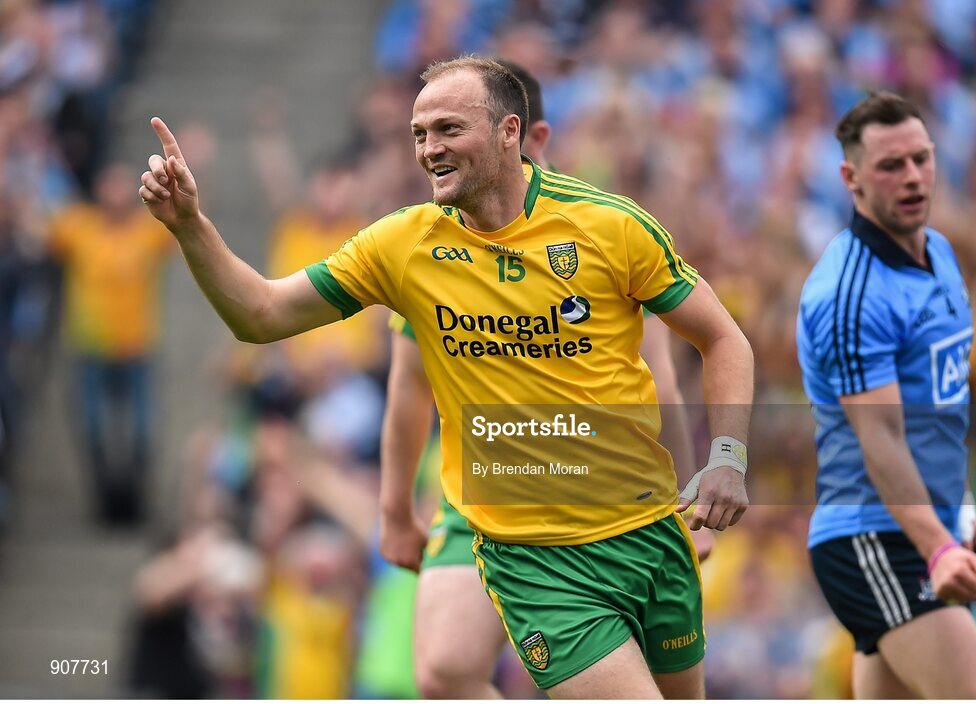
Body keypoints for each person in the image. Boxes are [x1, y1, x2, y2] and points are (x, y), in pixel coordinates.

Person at [139, 56, 753, 698]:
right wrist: (191, 228)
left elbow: (722, 339)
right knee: (445, 672)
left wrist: (726, 459)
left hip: (646, 535)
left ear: (511, 132)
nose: (429, 148)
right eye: (419, 133)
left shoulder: (609, 225)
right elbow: (261, 313)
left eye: (449, 129)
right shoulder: (403, 246)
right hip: (532, 557)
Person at [382, 59, 712, 698]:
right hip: (486, 492)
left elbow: (663, 378)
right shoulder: (430, 249)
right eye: (428, 134)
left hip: (611, 501)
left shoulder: (598, 234)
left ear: (528, 138)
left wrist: (686, 496)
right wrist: (396, 509)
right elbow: (407, 386)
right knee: (445, 670)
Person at [796, 91, 976, 699]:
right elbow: (880, 439)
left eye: (921, 158)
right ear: (851, 178)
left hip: (920, 532)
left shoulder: (939, 253)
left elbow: (937, 410)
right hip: (873, 537)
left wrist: (958, 514)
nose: (912, 177)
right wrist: (937, 545)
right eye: (891, 165)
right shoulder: (850, 292)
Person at [51, 162, 174, 524]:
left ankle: (135, 503)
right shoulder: (78, 225)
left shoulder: (146, 230)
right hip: (90, 349)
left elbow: (188, 227)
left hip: (138, 349)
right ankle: (104, 504)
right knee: (91, 430)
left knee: (143, 432)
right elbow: (39, 234)